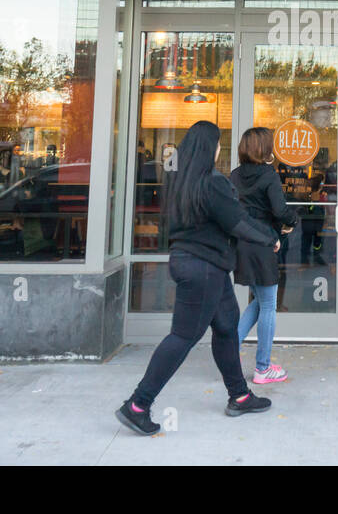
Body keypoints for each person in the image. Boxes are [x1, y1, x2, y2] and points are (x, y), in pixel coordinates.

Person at [116, 121, 279, 436]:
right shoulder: (212, 184)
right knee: (183, 336)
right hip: (203, 268)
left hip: (199, 265)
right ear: (210, 147)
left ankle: (240, 395)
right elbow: (238, 223)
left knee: (227, 327)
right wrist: (269, 238)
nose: (220, 148)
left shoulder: (181, 181)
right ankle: (137, 404)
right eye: (218, 143)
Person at [230, 127, 298, 384]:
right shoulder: (269, 174)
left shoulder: (234, 175)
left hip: (242, 243)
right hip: (264, 244)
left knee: (259, 301)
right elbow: (280, 210)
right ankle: (263, 368)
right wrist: (292, 221)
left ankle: (228, 352)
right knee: (268, 304)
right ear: (264, 149)